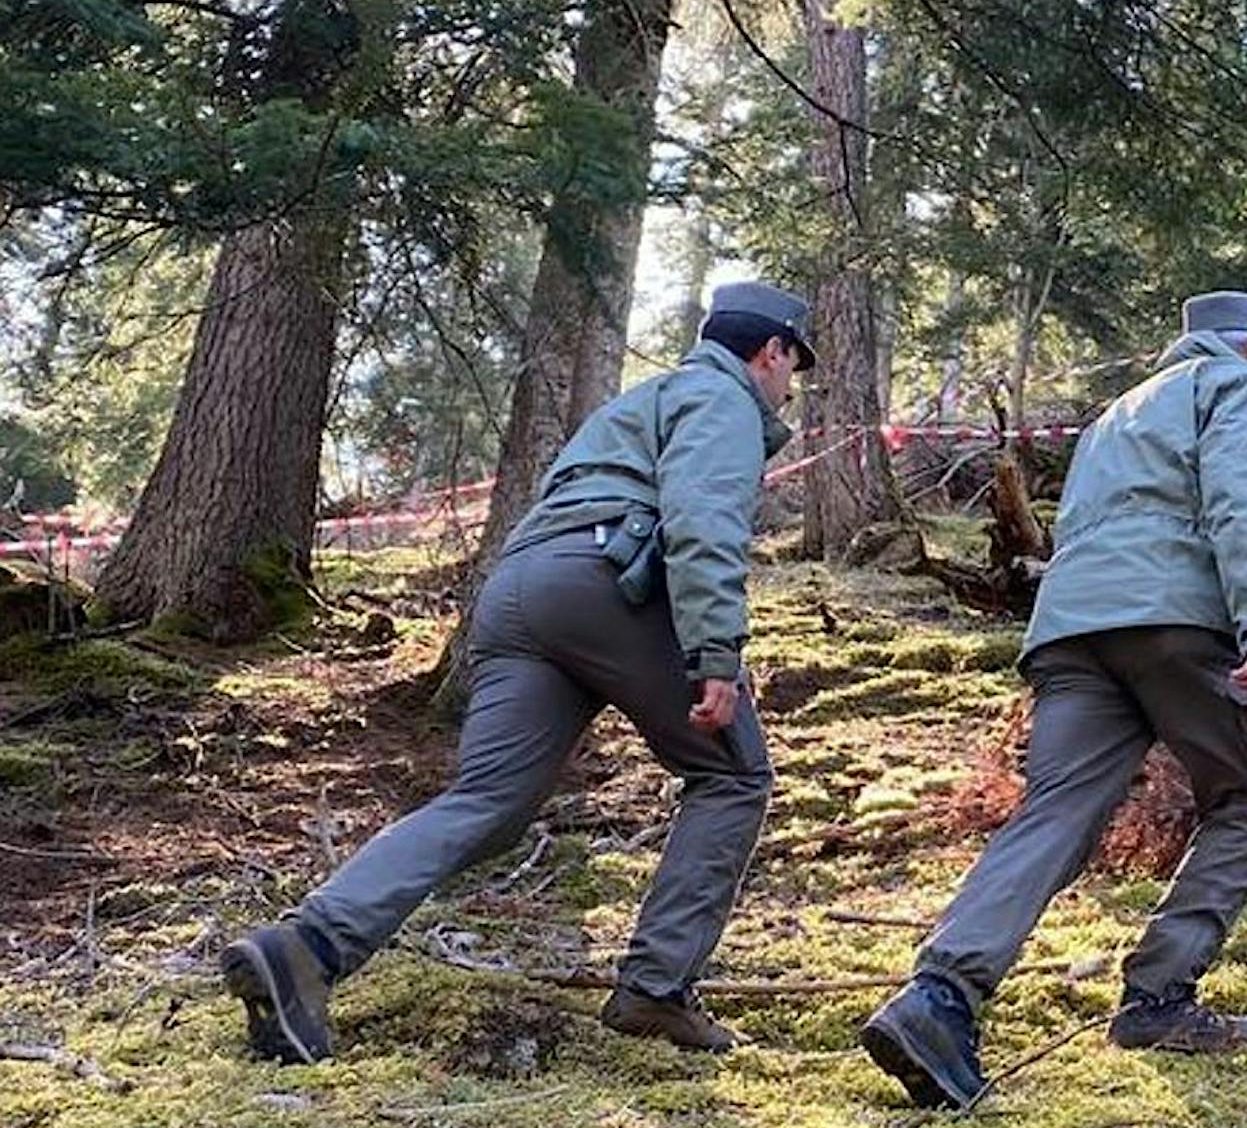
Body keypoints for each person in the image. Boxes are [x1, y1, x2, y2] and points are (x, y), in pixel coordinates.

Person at [222, 281, 814, 1064]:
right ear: (770, 350)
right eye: (792, 369)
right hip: (610, 584)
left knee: (488, 804)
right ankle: (655, 989)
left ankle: (307, 949)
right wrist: (716, 655)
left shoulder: (642, 402)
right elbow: (702, 520)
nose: (788, 387)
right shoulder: (722, 399)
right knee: (734, 775)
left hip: (518, 593)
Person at [861, 290, 1247, 1109]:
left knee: (1054, 814)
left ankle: (940, 999)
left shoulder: (1115, 414)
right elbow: (1245, 503)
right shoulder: (1236, 386)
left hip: (1072, 630)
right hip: (1175, 621)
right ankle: (1159, 999)